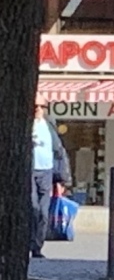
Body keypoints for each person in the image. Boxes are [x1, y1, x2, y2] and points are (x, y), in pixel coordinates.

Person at [30, 102, 70, 259]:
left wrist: (61, 179)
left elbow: (59, 151)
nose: (38, 109)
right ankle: (29, 242)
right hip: (30, 170)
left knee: (44, 212)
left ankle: (37, 246)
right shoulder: (27, 124)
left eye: (42, 106)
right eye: (36, 106)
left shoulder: (49, 125)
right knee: (32, 208)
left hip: (47, 171)